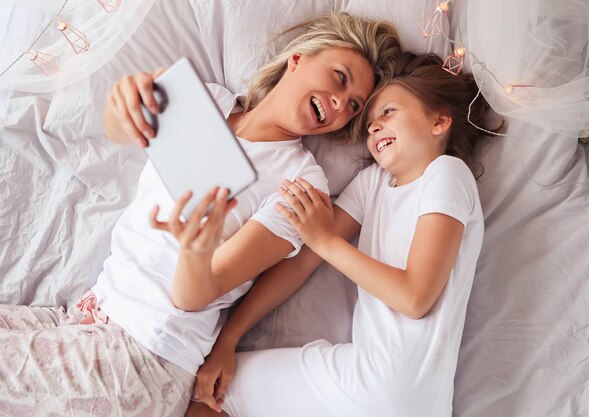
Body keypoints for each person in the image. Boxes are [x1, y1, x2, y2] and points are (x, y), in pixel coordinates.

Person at [0, 12, 401, 417]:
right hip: (88, 313)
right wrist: (124, 102)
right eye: (339, 77)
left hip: (145, 354)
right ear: (297, 59)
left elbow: (197, 293)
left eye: (353, 106)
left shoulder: (300, 184)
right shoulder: (206, 100)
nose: (340, 103)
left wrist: (195, 248)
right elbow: (121, 132)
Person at [185, 51, 505, 417]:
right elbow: (301, 265)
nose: (373, 127)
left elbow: (415, 297)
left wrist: (325, 240)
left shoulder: (447, 173)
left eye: (388, 112)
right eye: (369, 121)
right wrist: (228, 338)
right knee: (218, 390)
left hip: (386, 385)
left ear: (439, 122)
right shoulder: (373, 183)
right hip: (397, 392)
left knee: (214, 395)